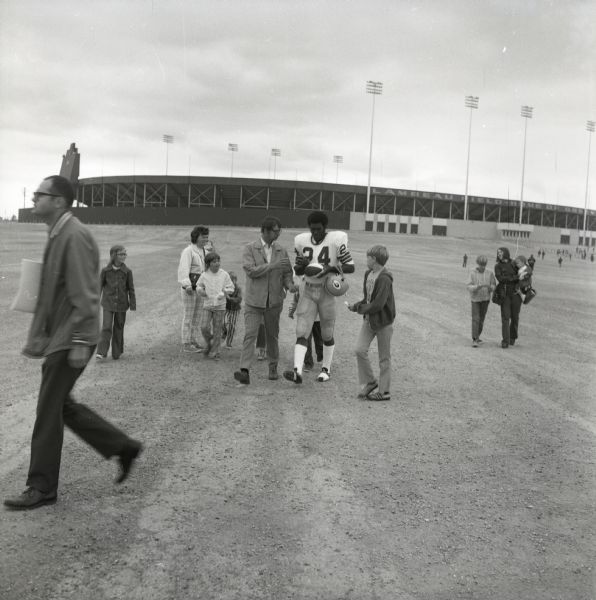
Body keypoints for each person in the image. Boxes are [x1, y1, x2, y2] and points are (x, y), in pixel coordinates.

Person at [4, 176, 142, 511]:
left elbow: (86, 292)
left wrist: (81, 340)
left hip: (70, 338)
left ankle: (41, 487)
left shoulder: (74, 235)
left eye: (41, 194)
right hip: (61, 336)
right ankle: (123, 446)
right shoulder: (59, 232)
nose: (34, 198)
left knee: (48, 412)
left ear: (60, 201)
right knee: (61, 406)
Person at [283, 211, 355, 384]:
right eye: (312, 229)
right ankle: (297, 371)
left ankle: (326, 369)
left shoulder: (336, 240)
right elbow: (298, 269)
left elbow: (350, 267)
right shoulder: (302, 241)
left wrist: (330, 268)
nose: (315, 232)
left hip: (326, 292)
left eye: (318, 229)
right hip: (307, 289)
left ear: (325, 227)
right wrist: (304, 267)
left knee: (326, 332)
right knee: (301, 331)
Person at [233, 217, 296, 384]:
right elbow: (250, 271)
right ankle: (244, 370)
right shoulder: (250, 248)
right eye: (276, 231)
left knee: (272, 335)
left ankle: (273, 365)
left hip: (274, 301)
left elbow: (287, 273)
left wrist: (290, 285)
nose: (278, 233)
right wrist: (273, 266)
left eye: (279, 230)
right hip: (254, 301)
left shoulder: (281, 250)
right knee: (250, 334)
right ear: (266, 231)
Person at [347, 245, 395, 401]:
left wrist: (360, 308)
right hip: (369, 320)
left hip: (383, 323)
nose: (366, 260)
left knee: (384, 358)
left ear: (374, 259)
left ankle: (384, 391)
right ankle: (370, 382)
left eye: (368, 257)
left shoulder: (385, 278)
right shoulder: (368, 274)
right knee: (359, 350)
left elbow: (378, 304)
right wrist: (356, 306)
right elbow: (368, 299)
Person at [96, 245, 136, 360]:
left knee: (119, 326)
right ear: (114, 255)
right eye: (121, 254)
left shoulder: (127, 272)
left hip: (122, 305)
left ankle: (116, 351)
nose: (124, 256)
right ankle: (101, 352)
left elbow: (131, 289)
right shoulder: (105, 271)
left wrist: (132, 304)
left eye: (125, 254)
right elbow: (99, 287)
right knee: (106, 326)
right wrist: (95, 301)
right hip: (108, 303)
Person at [177, 225, 211, 352]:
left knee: (197, 316)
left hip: (201, 288)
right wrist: (186, 285)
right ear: (196, 237)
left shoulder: (206, 252)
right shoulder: (188, 251)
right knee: (189, 315)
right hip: (190, 288)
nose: (206, 239)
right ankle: (186, 343)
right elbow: (184, 269)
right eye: (203, 237)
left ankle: (194, 340)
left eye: (207, 237)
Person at [197, 252, 234, 359]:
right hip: (207, 305)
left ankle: (215, 350)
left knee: (217, 328)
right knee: (204, 327)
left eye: (218, 261)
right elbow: (199, 285)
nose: (217, 263)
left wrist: (224, 293)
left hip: (220, 306)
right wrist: (200, 290)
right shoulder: (204, 275)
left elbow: (231, 288)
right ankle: (211, 341)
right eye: (214, 261)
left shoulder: (224, 274)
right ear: (209, 264)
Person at [288, 284, 323, 371]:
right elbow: (296, 300)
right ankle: (308, 362)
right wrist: (291, 311)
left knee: (319, 340)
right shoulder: (301, 286)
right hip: (305, 319)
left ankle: (320, 353)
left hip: (318, 319)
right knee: (305, 340)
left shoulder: (321, 286)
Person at [494, 246, 522, 348]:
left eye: (500, 252)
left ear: (505, 252)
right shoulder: (497, 266)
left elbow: (523, 273)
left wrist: (519, 276)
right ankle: (505, 341)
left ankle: (512, 338)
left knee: (515, 317)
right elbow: (501, 279)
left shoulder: (514, 263)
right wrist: (515, 277)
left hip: (516, 294)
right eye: (498, 253)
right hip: (504, 294)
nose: (499, 254)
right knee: (505, 318)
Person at [466, 255, 497, 347]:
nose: (482, 266)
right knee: (476, 319)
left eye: (484, 265)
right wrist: (476, 287)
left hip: (485, 299)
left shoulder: (490, 273)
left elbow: (494, 285)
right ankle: (475, 339)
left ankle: (477, 336)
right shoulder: (472, 272)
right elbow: (468, 286)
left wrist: (490, 287)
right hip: (475, 299)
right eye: (480, 264)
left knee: (481, 319)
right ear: (477, 263)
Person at [222, 271, 242, 349]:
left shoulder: (238, 289)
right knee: (223, 322)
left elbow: (239, 299)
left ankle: (228, 343)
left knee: (232, 326)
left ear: (235, 280)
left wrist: (230, 299)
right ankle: (224, 332)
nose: (230, 282)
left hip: (235, 310)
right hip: (226, 309)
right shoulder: (224, 288)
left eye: (232, 280)